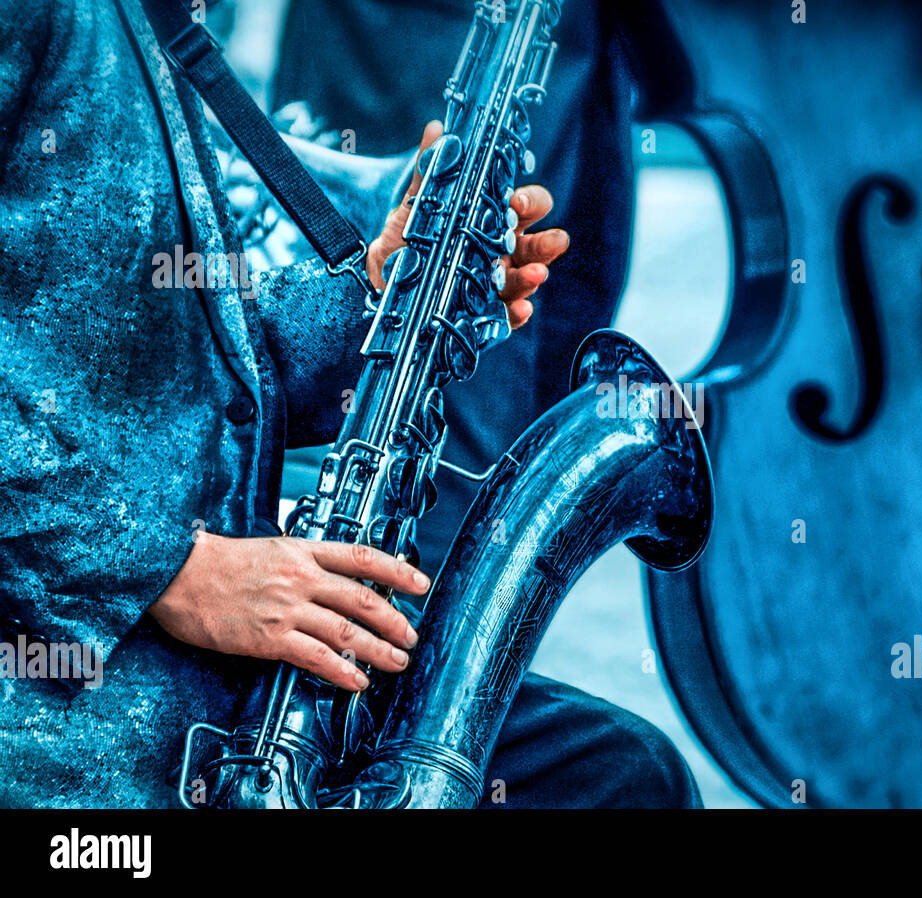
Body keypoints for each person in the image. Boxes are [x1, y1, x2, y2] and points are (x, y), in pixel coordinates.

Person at [0, 0, 699, 808]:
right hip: (75, 714)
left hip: (199, 667)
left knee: (620, 775)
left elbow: (157, 356)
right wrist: (176, 571)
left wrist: (384, 299)